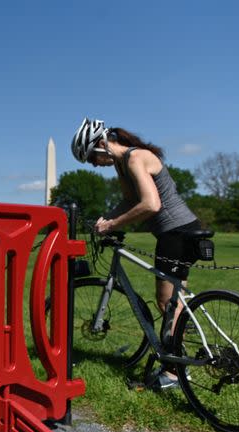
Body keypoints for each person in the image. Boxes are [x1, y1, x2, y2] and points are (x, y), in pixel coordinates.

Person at [71, 118, 202, 390]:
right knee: (174, 305)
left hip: (175, 234)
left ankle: (176, 374)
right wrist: (106, 218)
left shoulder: (135, 158)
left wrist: (114, 224)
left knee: (168, 305)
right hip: (180, 231)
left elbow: (150, 204)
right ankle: (180, 360)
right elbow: (130, 200)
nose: (94, 164)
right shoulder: (124, 163)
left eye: (91, 157)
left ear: (102, 144)